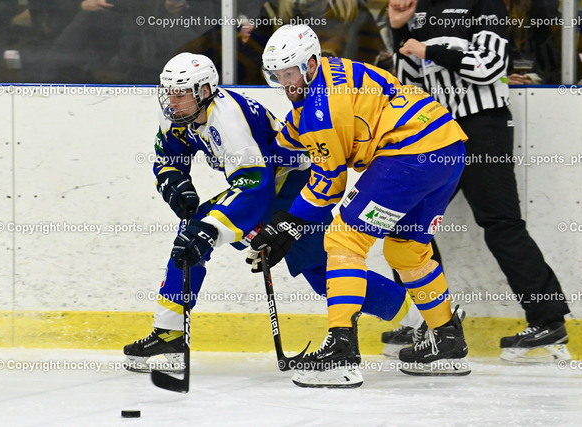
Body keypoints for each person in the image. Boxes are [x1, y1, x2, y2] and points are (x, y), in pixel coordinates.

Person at [122, 52, 423, 373]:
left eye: (180, 93)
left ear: (205, 91)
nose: (172, 101)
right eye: (168, 92)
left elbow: (255, 189)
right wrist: (172, 178)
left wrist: (213, 228)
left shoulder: (231, 122)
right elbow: (169, 152)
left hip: (293, 188)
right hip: (261, 186)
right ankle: (170, 332)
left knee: (323, 273)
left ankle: (421, 323)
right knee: (196, 241)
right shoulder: (176, 113)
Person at [251, 24, 470, 388]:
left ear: (309, 64)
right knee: (407, 251)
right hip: (447, 148)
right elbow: (306, 126)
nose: (284, 81)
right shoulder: (333, 70)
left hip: (408, 156)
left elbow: (327, 185)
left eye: (289, 72)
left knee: (342, 240)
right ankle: (447, 339)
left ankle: (340, 353)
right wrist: (276, 151)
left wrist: (288, 224)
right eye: (277, 74)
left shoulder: (323, 109)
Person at [388, 0, 571, 363]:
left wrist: (426, 48)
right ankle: (430, 322)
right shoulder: (419, 8)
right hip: (436, 131)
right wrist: (399, 30)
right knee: (404, 224)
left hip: (483, 126)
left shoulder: (484, 2)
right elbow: (408, 80)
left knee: (501, 223)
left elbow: (489, 66)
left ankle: (547, 320)